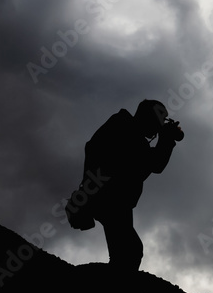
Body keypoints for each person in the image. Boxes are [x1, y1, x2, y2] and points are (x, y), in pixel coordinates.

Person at [69, 99, 182, 271]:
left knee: (127, 252)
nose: (160, 125)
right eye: (159, 119)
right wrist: (166, 140)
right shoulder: (123, 127)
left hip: (113, 200)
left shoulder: (129, 131)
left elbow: (150, 162)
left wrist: (166, 140)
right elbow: (154, 163)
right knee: (130, 252)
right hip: (110, 199)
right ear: (148, 117)